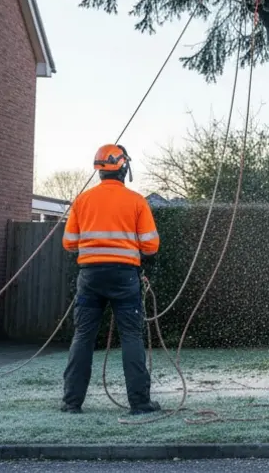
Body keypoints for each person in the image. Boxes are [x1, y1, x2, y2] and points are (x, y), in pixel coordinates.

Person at [60, 144, 162, 415]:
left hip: (90, 276)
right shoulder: (137, 201)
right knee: (131, 336)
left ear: (99, 171)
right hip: (124, 276)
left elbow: (69, 243)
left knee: (83, 336)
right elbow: (151, 246)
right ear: (123, 167)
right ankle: (139, 404)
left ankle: (72, 403)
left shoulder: (82, 201)